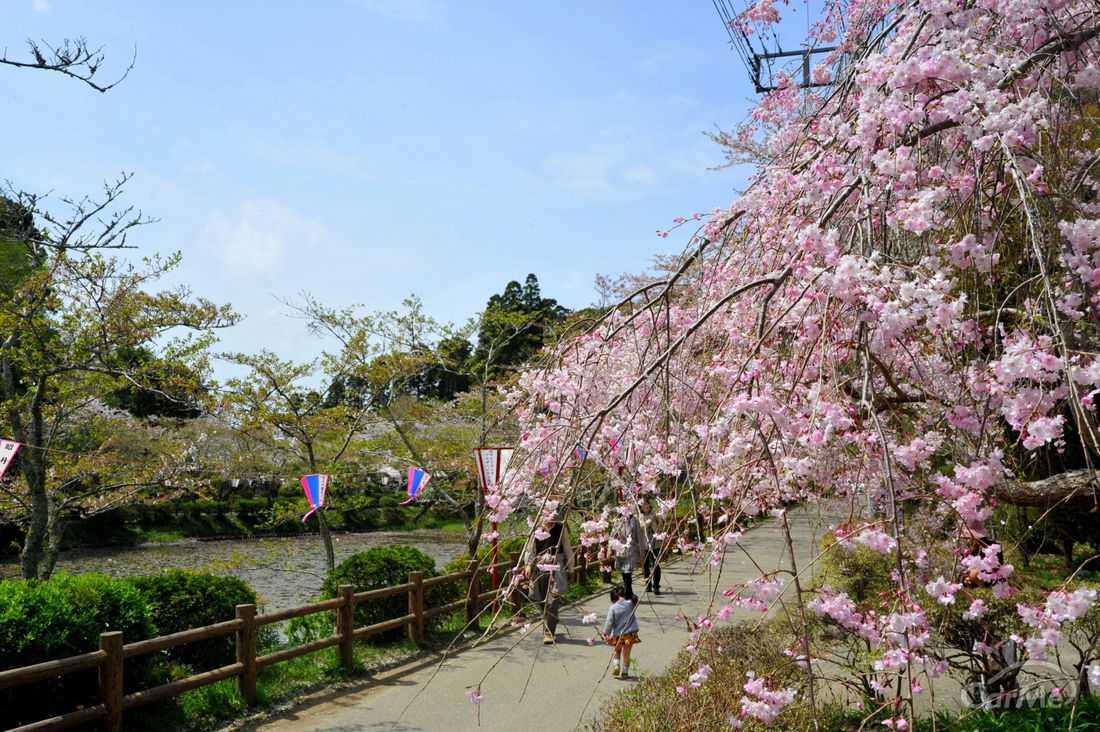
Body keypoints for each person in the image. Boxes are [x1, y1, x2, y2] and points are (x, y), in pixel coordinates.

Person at [520, 512, 574, 644]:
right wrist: (528, 566)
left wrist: (571, 567)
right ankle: (550, 620)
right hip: (539, 567)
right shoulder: (536, 529)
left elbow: (567, 548)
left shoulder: (561, 529)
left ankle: (549, 632)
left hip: (556, 566)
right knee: (540, 599)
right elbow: (530, 549)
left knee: (553, 598)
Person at [604, 585, 641, 679]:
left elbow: (609, 622)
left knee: (617, 651)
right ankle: (625, 672)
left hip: (618, 635)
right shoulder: (631, 604)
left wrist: (606, 634)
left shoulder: (613, 608)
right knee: (627, 654)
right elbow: (636, 598)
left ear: (614, 596)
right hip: (630, 634)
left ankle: (616, 665)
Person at [612, 504, 648, 597]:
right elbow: (612, 536)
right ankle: (629, 592)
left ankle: (628, 592)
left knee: (628, 572)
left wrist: (641, 552)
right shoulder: (617, 522)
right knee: (623, 572)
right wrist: (618, 531)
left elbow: (639, 537)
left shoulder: (634, 521)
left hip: (632, 550)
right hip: (620, 549)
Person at [639, 497, 663, 595]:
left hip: (655, 542)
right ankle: (648, 584)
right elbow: (642, 526)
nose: (646, 506)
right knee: (645, 566)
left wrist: (659, 518)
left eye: (647, 504)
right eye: (644, 505)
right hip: (645, 543)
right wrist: (650, 520)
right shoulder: (640, 516)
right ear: (641, 507)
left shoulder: (654, 514)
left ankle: (656, 586)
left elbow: (661, 526)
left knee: (656, 565)